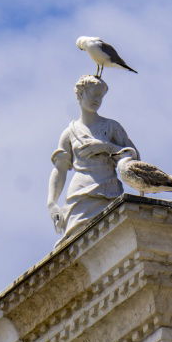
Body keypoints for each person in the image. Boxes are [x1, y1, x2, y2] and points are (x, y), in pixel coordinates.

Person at [47, 75, 139, 243]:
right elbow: (60, 169)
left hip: (109, 189)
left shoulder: (112, 127)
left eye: (100, 96)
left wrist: (105, 147)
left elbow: (134, 157)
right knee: (77, 240)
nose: (97, 100)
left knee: (113, 236)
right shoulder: (69, 132)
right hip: (80, 192)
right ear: (80, 95)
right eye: (93, 95)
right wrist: (52, 203)